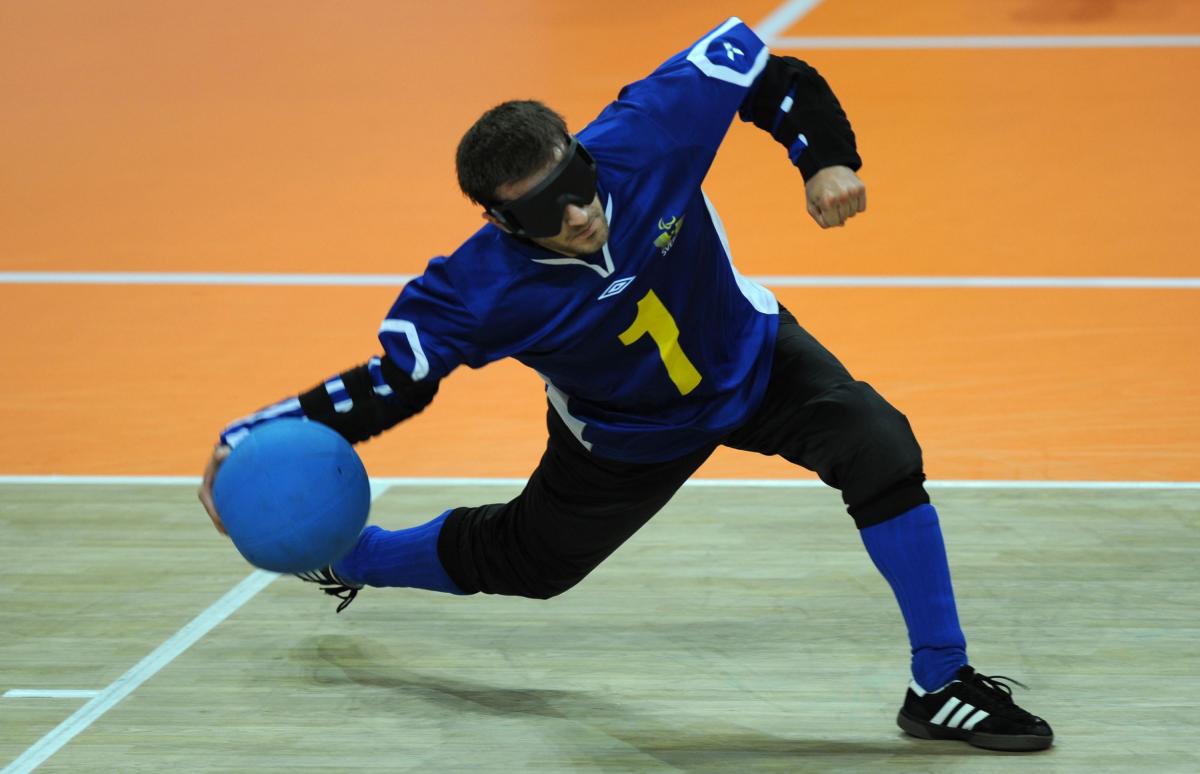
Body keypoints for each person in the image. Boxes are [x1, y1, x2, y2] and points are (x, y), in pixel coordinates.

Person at [198, 17, 1053, 752]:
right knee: (533, 568)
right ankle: (358, 557)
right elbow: (394, 385)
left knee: (879, 444)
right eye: (542, 212)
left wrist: (823, 159)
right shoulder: (476, 288)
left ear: (583, 151)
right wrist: (253, 435)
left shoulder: (648, 132)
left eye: (577, 184)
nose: (577, 214)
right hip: (621, 435)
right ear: (499, 221)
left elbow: (773, 75)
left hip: (751, 362)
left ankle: (940, 681)